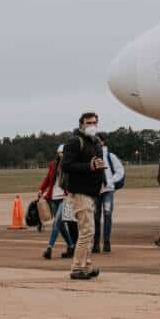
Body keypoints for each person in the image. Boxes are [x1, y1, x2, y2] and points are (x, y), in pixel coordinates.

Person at [61, 112, 105, 280]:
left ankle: (86, 265)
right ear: (81, 124)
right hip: (80, 192)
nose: (92, 125)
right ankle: (77, 267)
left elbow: (96, 164)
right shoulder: (75, 141)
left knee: (89, 231)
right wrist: (89, 166)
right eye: (88, 123)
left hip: (91, 192)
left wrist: (101, 178)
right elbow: (66, 165)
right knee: (86, 231)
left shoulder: (94, 142)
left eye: (94, 122)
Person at [39, 145, 74, 260]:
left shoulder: (69, 165)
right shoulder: (53, 165)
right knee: (61, 225)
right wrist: (41, 189)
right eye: (60, 153)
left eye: (64, 153)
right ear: (58, 153)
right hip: (53, 197)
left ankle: (49, 248)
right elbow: (48, 178)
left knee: (56, 222)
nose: (62, 154)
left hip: (65, 197)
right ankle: (71, 246)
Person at [93, 132, 124, 254]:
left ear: (103, 142)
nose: (96, 142)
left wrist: (110, 180)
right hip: (95, 190)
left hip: (108, 190)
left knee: (107, 214)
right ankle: (96, 243)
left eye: (98, 140)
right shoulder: (91, 156)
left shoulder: (110, 156)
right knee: (95, 217)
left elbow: (120, 171)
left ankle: (106, 241)